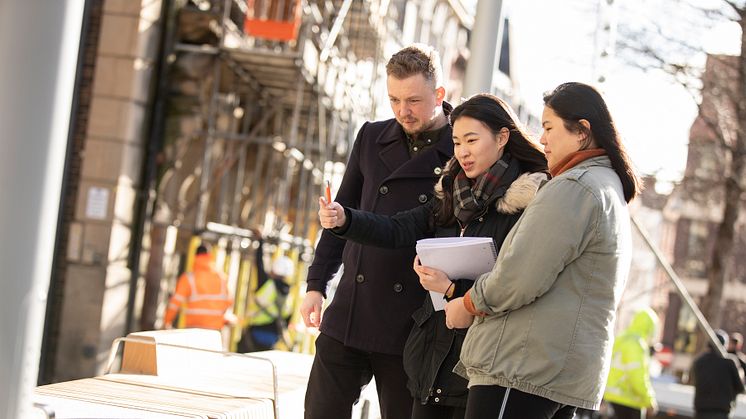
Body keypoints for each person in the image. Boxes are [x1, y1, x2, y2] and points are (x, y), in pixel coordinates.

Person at [318, 93, 548, 419]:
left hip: (485, 362)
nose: (462, 152)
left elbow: (518, 286)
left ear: (502, 138)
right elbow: (397, 228)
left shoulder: (529, 203)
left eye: (471, 140)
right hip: (433, 357)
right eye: (456, 142)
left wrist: (451, 287)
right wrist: (346, 220)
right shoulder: (450, 193)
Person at [444, 82, 643, 419]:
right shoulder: (607, 189)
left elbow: (520, 275)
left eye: (549, 127)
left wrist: (468, 304)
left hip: (523, 369)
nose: (543, 138)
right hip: (558, 372)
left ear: (581, 132)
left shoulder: (574, 187)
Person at [299, 44, 454, 419]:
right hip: (352, 310)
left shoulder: (459, 149)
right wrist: (317, 284)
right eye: (394, 99)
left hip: (410, 323)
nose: (403, 111)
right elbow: (340, 215)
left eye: (414, 100)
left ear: (439, 95)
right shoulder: (371, 136)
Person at [237, 233, 293, 352]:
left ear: (274, 269)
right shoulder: (289, 293)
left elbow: (259, 264)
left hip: (255, 334)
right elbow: (288, 318)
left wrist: (261, 241)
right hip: (273, 338)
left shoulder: (267, 284)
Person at [163, 243, 236, 331]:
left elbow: (175, 303)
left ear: (195, 256)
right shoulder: (221, 278)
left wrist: (167, 322)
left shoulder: (189, 278)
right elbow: (229, 301)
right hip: (214, 329)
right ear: (210, 256)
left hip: (193, 327)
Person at [603, 308, 659, 419]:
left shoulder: (620, 338)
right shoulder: (637, 344)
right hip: (628, 401)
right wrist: (649, 400)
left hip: (610, 398)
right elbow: (637, 377)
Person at [690, 329, 745, 419]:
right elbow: (740, 387)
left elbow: (694, 381)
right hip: (721, 412)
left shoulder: (699, 362)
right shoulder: (730, 362)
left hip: (700, 412)